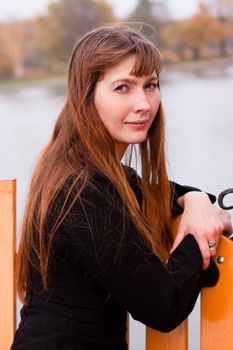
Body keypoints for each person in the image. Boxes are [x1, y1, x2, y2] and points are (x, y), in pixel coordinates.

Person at [11, 23, 232, 350]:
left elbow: (165, 193)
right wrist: (201, 239)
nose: (144, 103)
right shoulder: (80, 193)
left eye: (150, 85)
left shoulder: (88, 170)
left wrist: (197, 202)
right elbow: (163, 305)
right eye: (123, 88)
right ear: (86, 96)